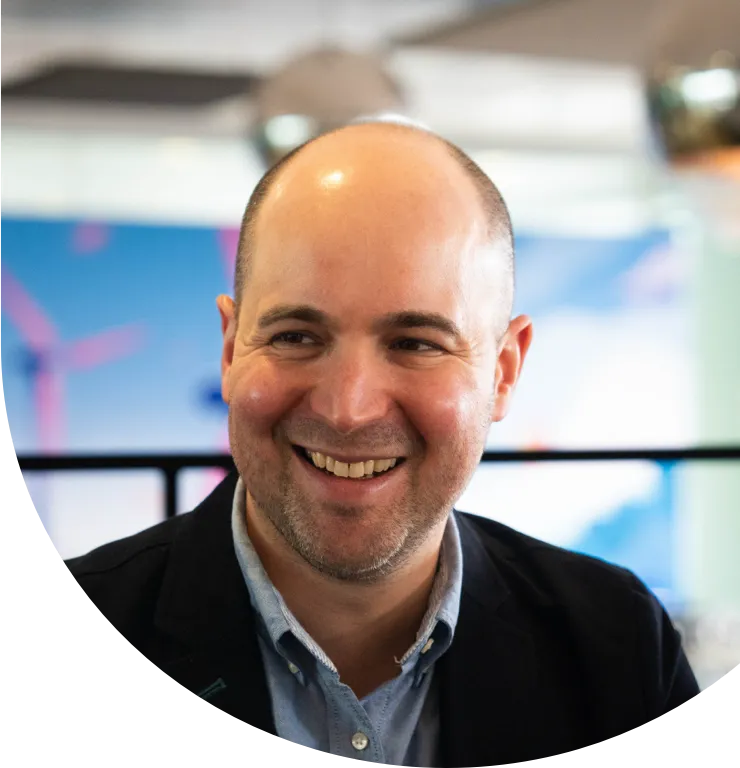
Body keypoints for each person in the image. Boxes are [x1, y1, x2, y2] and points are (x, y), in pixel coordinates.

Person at [62, 121, 699, 765]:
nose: (348, 409)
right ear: (230, 349)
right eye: (294, 336)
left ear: (504, 371)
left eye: (416, 343)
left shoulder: (619, 650)